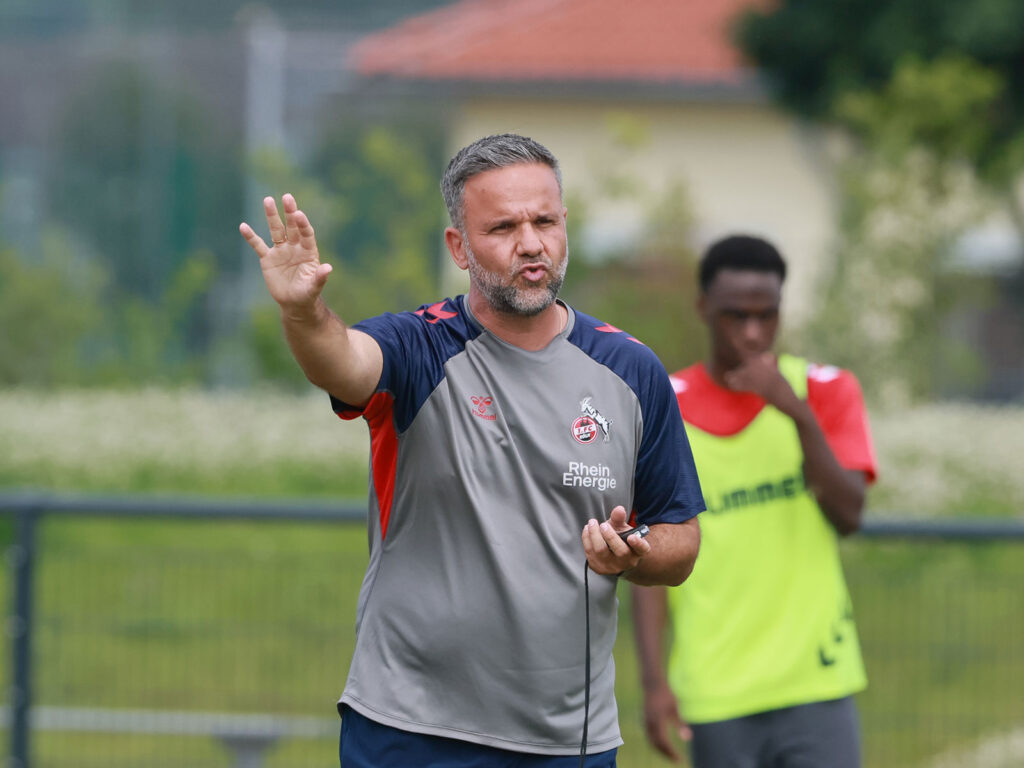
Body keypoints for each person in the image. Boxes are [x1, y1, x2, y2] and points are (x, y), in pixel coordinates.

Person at [239, 133, 704, 768]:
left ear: (564, 226)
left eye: (544, 221)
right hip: (409, 727)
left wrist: (634, 551)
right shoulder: (419, 347)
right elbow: (343, 362)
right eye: (504, 227)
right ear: (459, 246)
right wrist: (303, 314)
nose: (531, 244)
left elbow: (681, 540)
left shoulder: (631, 369)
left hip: (567, 741)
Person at [631, 235, 878, 768]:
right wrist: (654, 685)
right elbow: (650, 563)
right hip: (717, 690)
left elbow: (849, 514)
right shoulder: (664, 407)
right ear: (703, 309)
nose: (752, 332)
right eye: (734, 316)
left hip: (817, 682)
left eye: (767, 316)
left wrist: (796, 414)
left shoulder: (823, 391)